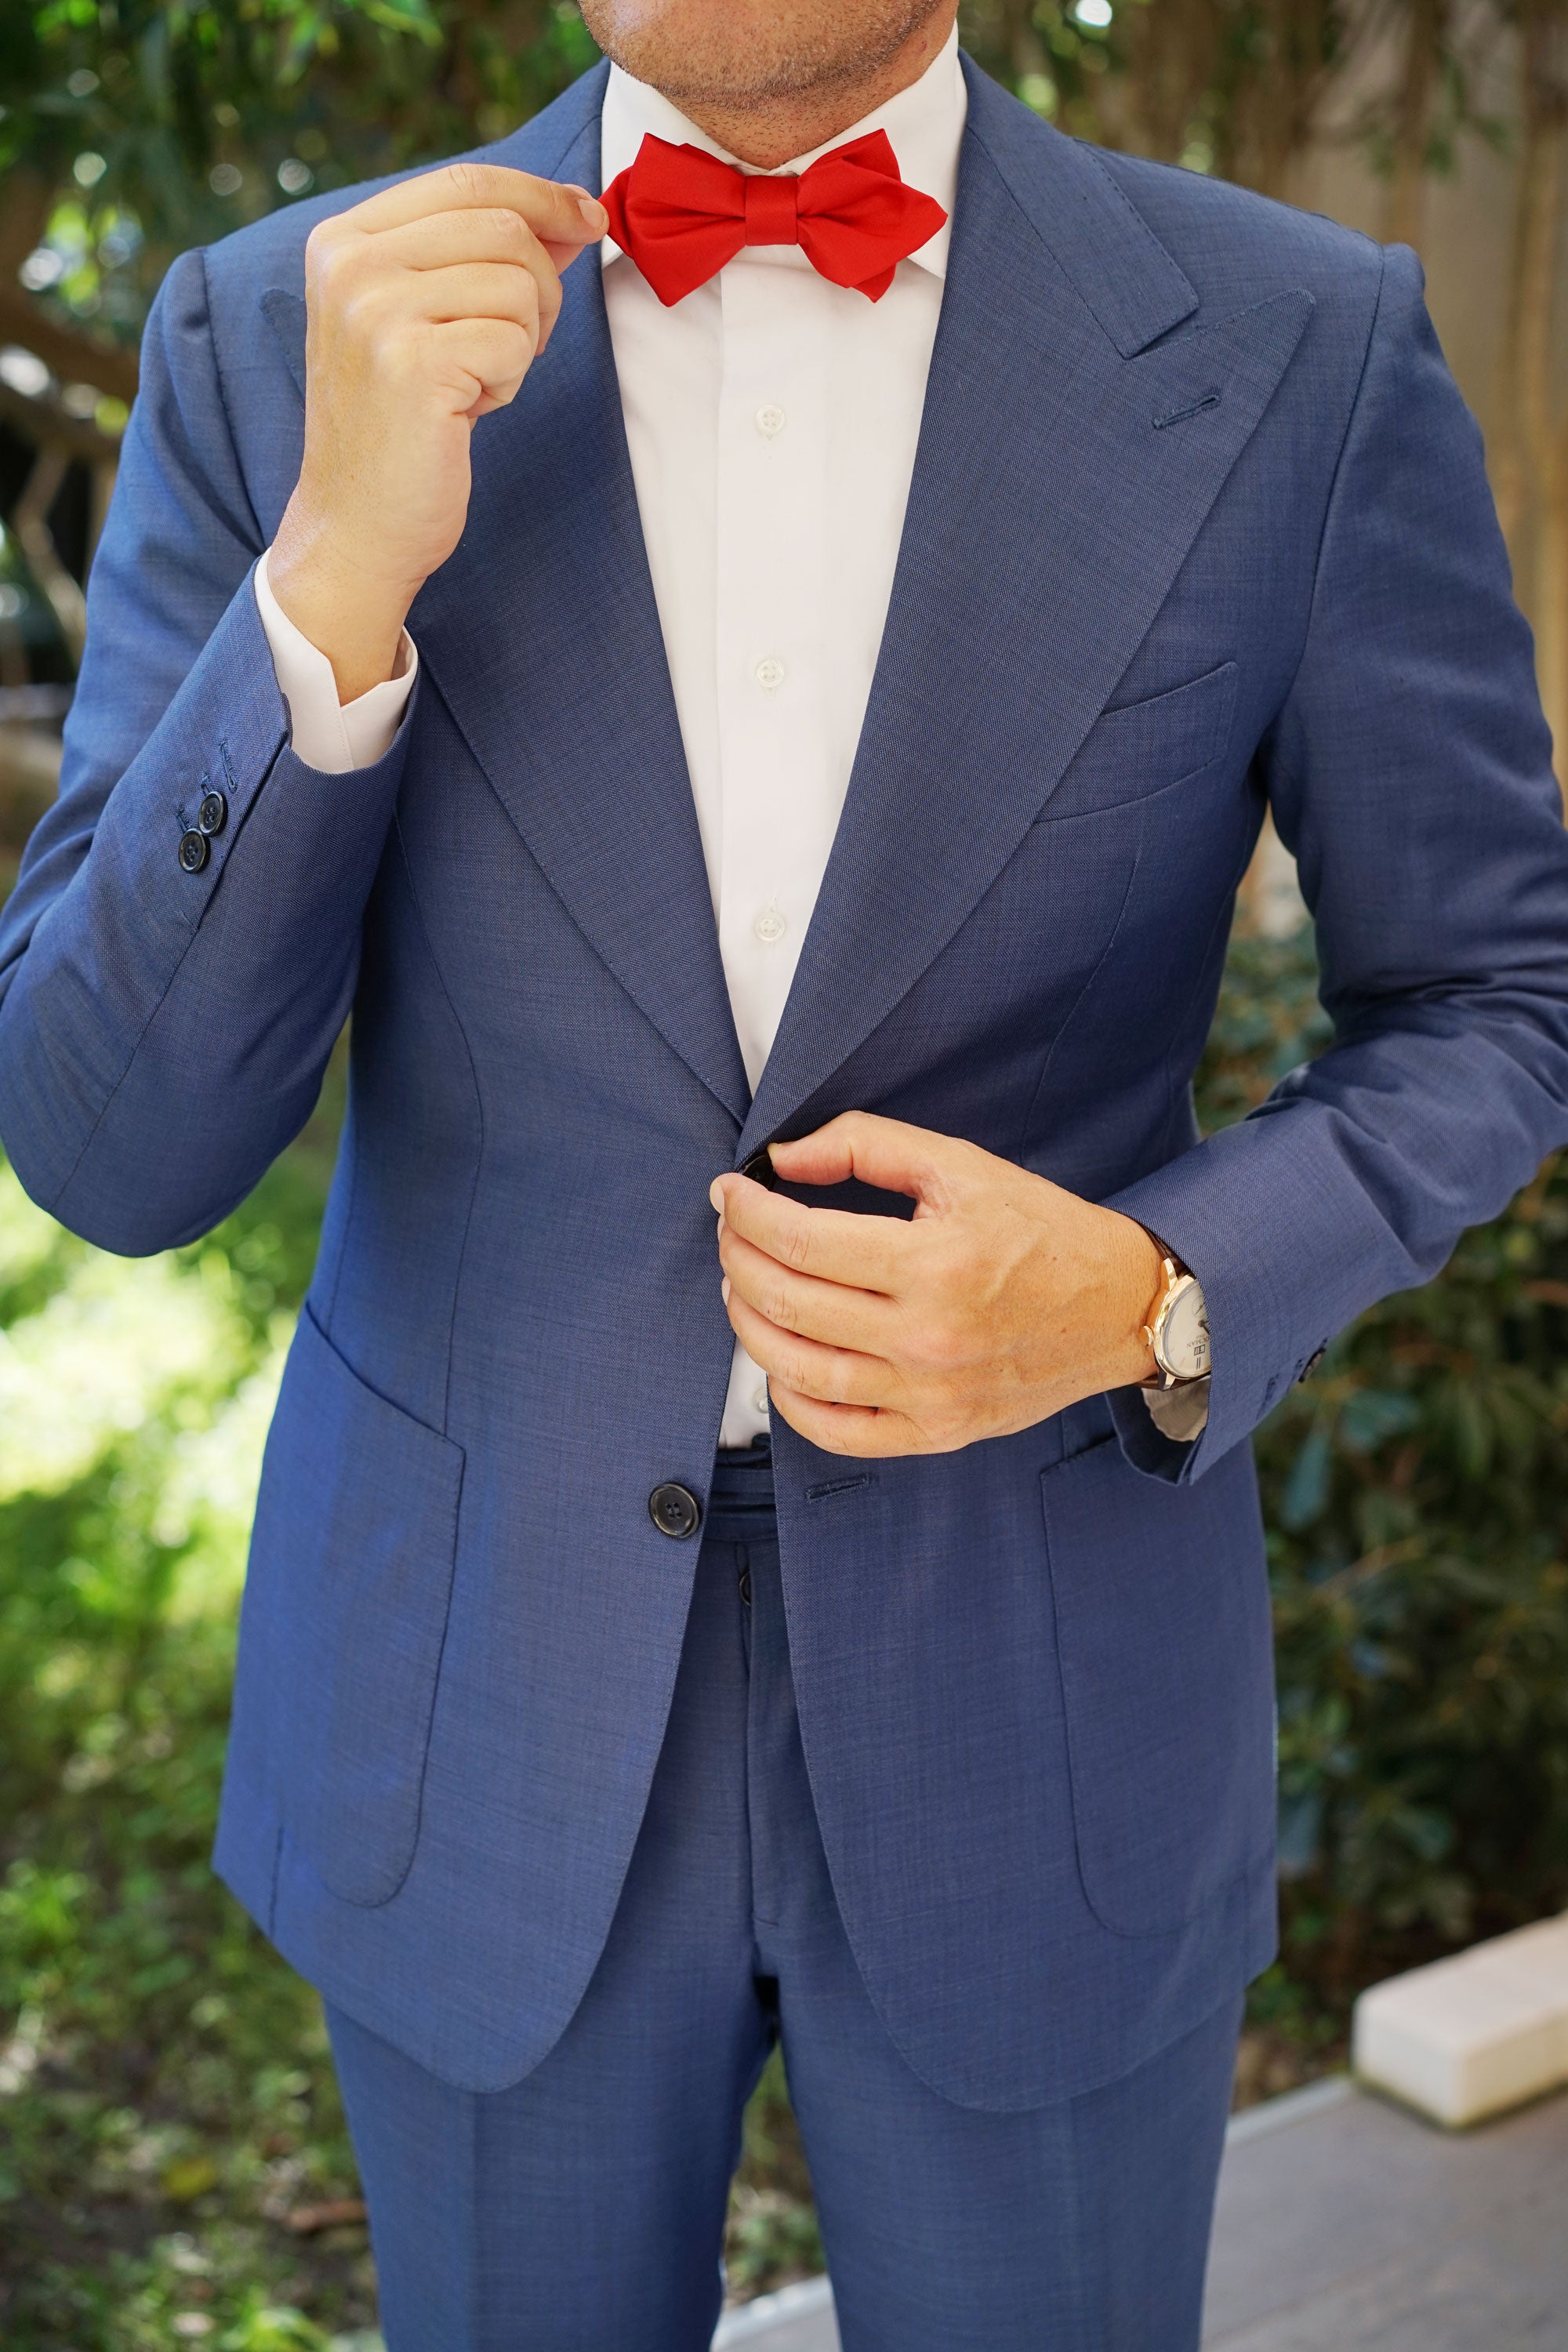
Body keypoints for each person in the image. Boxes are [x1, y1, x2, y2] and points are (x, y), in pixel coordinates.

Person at [3, 0, 1567, 2341]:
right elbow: (106, 1147)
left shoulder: (1294, 348)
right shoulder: (271, 333)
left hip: (1045, 1695)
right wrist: (330, 578)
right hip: (475, 1694)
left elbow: (1497, 1002)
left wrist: (1157, 1285)